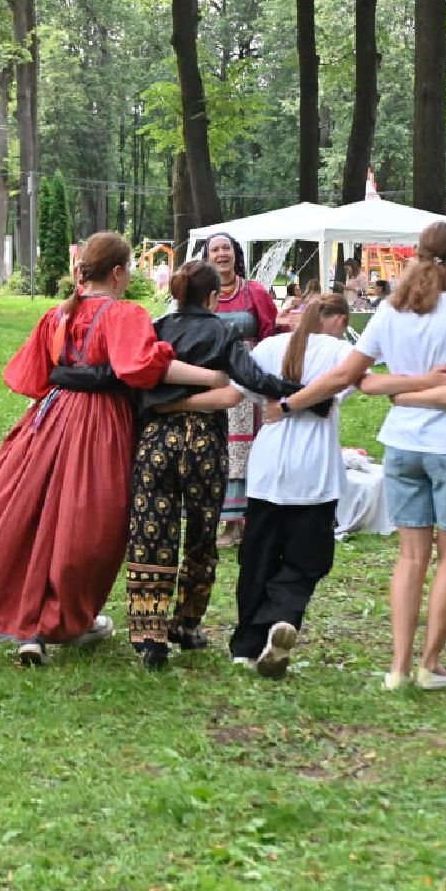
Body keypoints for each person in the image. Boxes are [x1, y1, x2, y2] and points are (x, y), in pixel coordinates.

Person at [0, 232, 226, 666]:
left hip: (52, 418)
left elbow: (28, 376)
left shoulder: (56, 316)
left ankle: (33, 628)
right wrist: (213, 378)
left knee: (37, 516)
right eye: (129, 268)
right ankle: (67, 617)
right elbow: (142, 366)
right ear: (117, 273)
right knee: (89, 523)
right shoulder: (123, 315)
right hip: (101, 422)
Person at [278, 221, 446, 692]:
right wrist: (435, 388)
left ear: (414, 255)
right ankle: (430, 664)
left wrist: (289, 403)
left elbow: (351, 377)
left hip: (401, 444)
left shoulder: (391, 311)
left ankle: (397, 667)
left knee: (410, 558)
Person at [124, 261, 303, 669]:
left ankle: (148, 635)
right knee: (203, 534)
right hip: (204, 443)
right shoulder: (224, 331)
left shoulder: (156, 328)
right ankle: (186, 623)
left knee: (152, 531)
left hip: (157, 441)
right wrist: (299, 393)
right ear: (212, 297)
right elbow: (252, 378)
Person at [229, 293, 358, 679]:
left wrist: (283, 401)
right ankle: (280, 617)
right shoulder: (341, 352)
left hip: (268, 463)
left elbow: (250, 389)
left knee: (257, 558)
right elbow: (336, 391)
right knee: (309, 558)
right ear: (337, 319)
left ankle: (247, 644)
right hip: (313, 467)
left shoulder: (269, 346)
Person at [202, 233, 278, 548]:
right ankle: (225, 520)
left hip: (249, 378)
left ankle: (247, 521)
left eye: (226, 249)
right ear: (207, 257)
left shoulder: (255, 292)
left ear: (236, 254)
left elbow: (270, 334)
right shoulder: (202, 294)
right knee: (220, 449)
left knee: (251, 450)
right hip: (214, 377)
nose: (221, 254)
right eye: (215, 249)